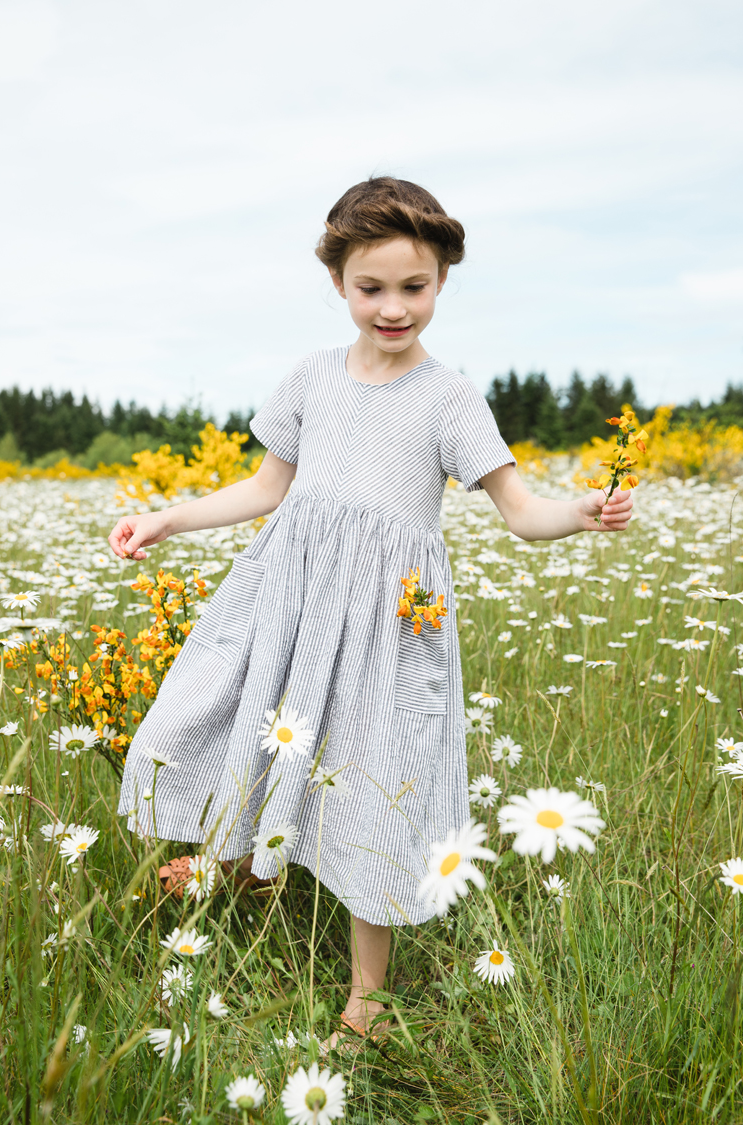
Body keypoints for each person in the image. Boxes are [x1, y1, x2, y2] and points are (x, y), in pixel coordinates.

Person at [108, 176, 633, 1048]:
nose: (394, 307)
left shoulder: (451, 398)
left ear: (441, 282)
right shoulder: (312, 377)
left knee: (372, 781)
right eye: (372, 287)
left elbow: (520, 510)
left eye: (414, 287)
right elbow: (265, 487)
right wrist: (167, 515)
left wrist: (580, 512)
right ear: (339, 283)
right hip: (292, 597)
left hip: (390, 622)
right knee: (229, 715)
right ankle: (241, 862)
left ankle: (367, 997)